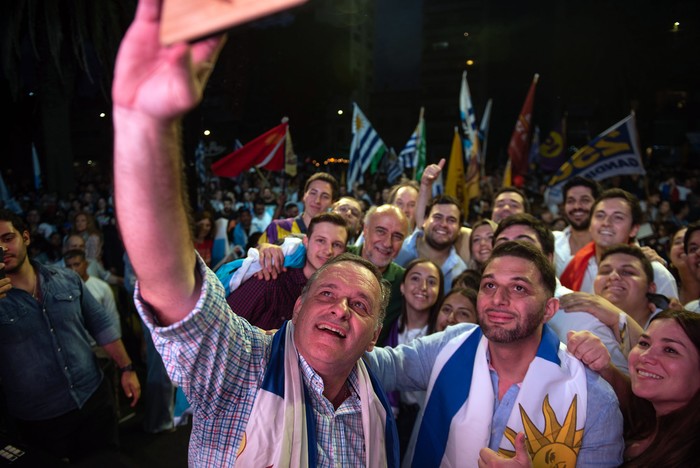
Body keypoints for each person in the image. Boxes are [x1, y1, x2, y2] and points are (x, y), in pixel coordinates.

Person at [111, 4, 398, 465]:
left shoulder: (377, 407)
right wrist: (144, 125)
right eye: (325, 293)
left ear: (376, 336)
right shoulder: (242, 365)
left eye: (360, 305)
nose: (340, 310)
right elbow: (173, 287)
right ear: (299, 303)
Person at [366, 241, 624, 467]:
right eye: (489, 285)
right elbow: (383, 367)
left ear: (549, 309)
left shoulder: (592, 397)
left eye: (519, 288)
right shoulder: (451, 344)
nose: (498, 298)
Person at [0, 209, 140, 461]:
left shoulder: (65, 279)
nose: (2, 248)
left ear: (26, 237)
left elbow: (100, 325)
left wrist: (127, 367)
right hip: (39, 418)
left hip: (92, 399)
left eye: (8, 238)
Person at [494, 213, 630, 374]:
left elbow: (624, 393)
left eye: (524, 245)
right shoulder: (486, 311)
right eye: (502, 247)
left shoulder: (582, 316)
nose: (511, 255)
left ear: (548, 258)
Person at [568, 309, 700, 466]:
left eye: (670, 350)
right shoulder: (645, 417)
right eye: (644, 343)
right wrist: (600, 365)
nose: (645, 356)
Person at [221, 212, 348, 330]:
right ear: (306, 242)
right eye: (321, 241)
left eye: (337, 245)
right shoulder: (269, 280)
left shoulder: (338, 297)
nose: (328, 250)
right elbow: (222, 328)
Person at [561, 188, 679, 299]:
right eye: (600, 215)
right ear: (590, 225)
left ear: (634, 229)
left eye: (618, 217)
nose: (606, 223)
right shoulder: (573, 266)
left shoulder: (656, 273)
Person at [383, 258, 443, 458]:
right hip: (390, 414)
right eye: (415, 279)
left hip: (424, 419)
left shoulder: (440, 338)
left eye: (432, 282)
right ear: (402, 286)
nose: (423, 287)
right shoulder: (388, 326)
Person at [395, 194, 467, 292]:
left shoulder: (460, 271)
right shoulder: (397, 249)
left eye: (451, 220)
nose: (443, 224)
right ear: (424, 220)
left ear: (459, 229)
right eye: (438, 217)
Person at [258, 172, 338, 245]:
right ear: (304, 196)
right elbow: (254, 258)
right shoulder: (278, 228)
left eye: (325, 196)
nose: (317, 200)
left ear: (332, 203)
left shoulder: (334, 237)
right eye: (313, 193)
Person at [553, 176, 602, 276]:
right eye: (571, 201)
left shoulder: (611, 242)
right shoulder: (552, 241)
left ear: (598, 204)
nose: (577, 206)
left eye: (585, 200)